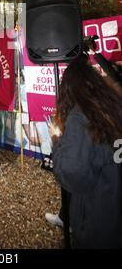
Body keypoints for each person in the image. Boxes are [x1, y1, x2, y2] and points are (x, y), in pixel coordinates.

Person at [48, 54, 122, 248]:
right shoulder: (114, 107)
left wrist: (56, 142)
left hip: (100, 226)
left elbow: (73, 175)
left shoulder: (80, 117)